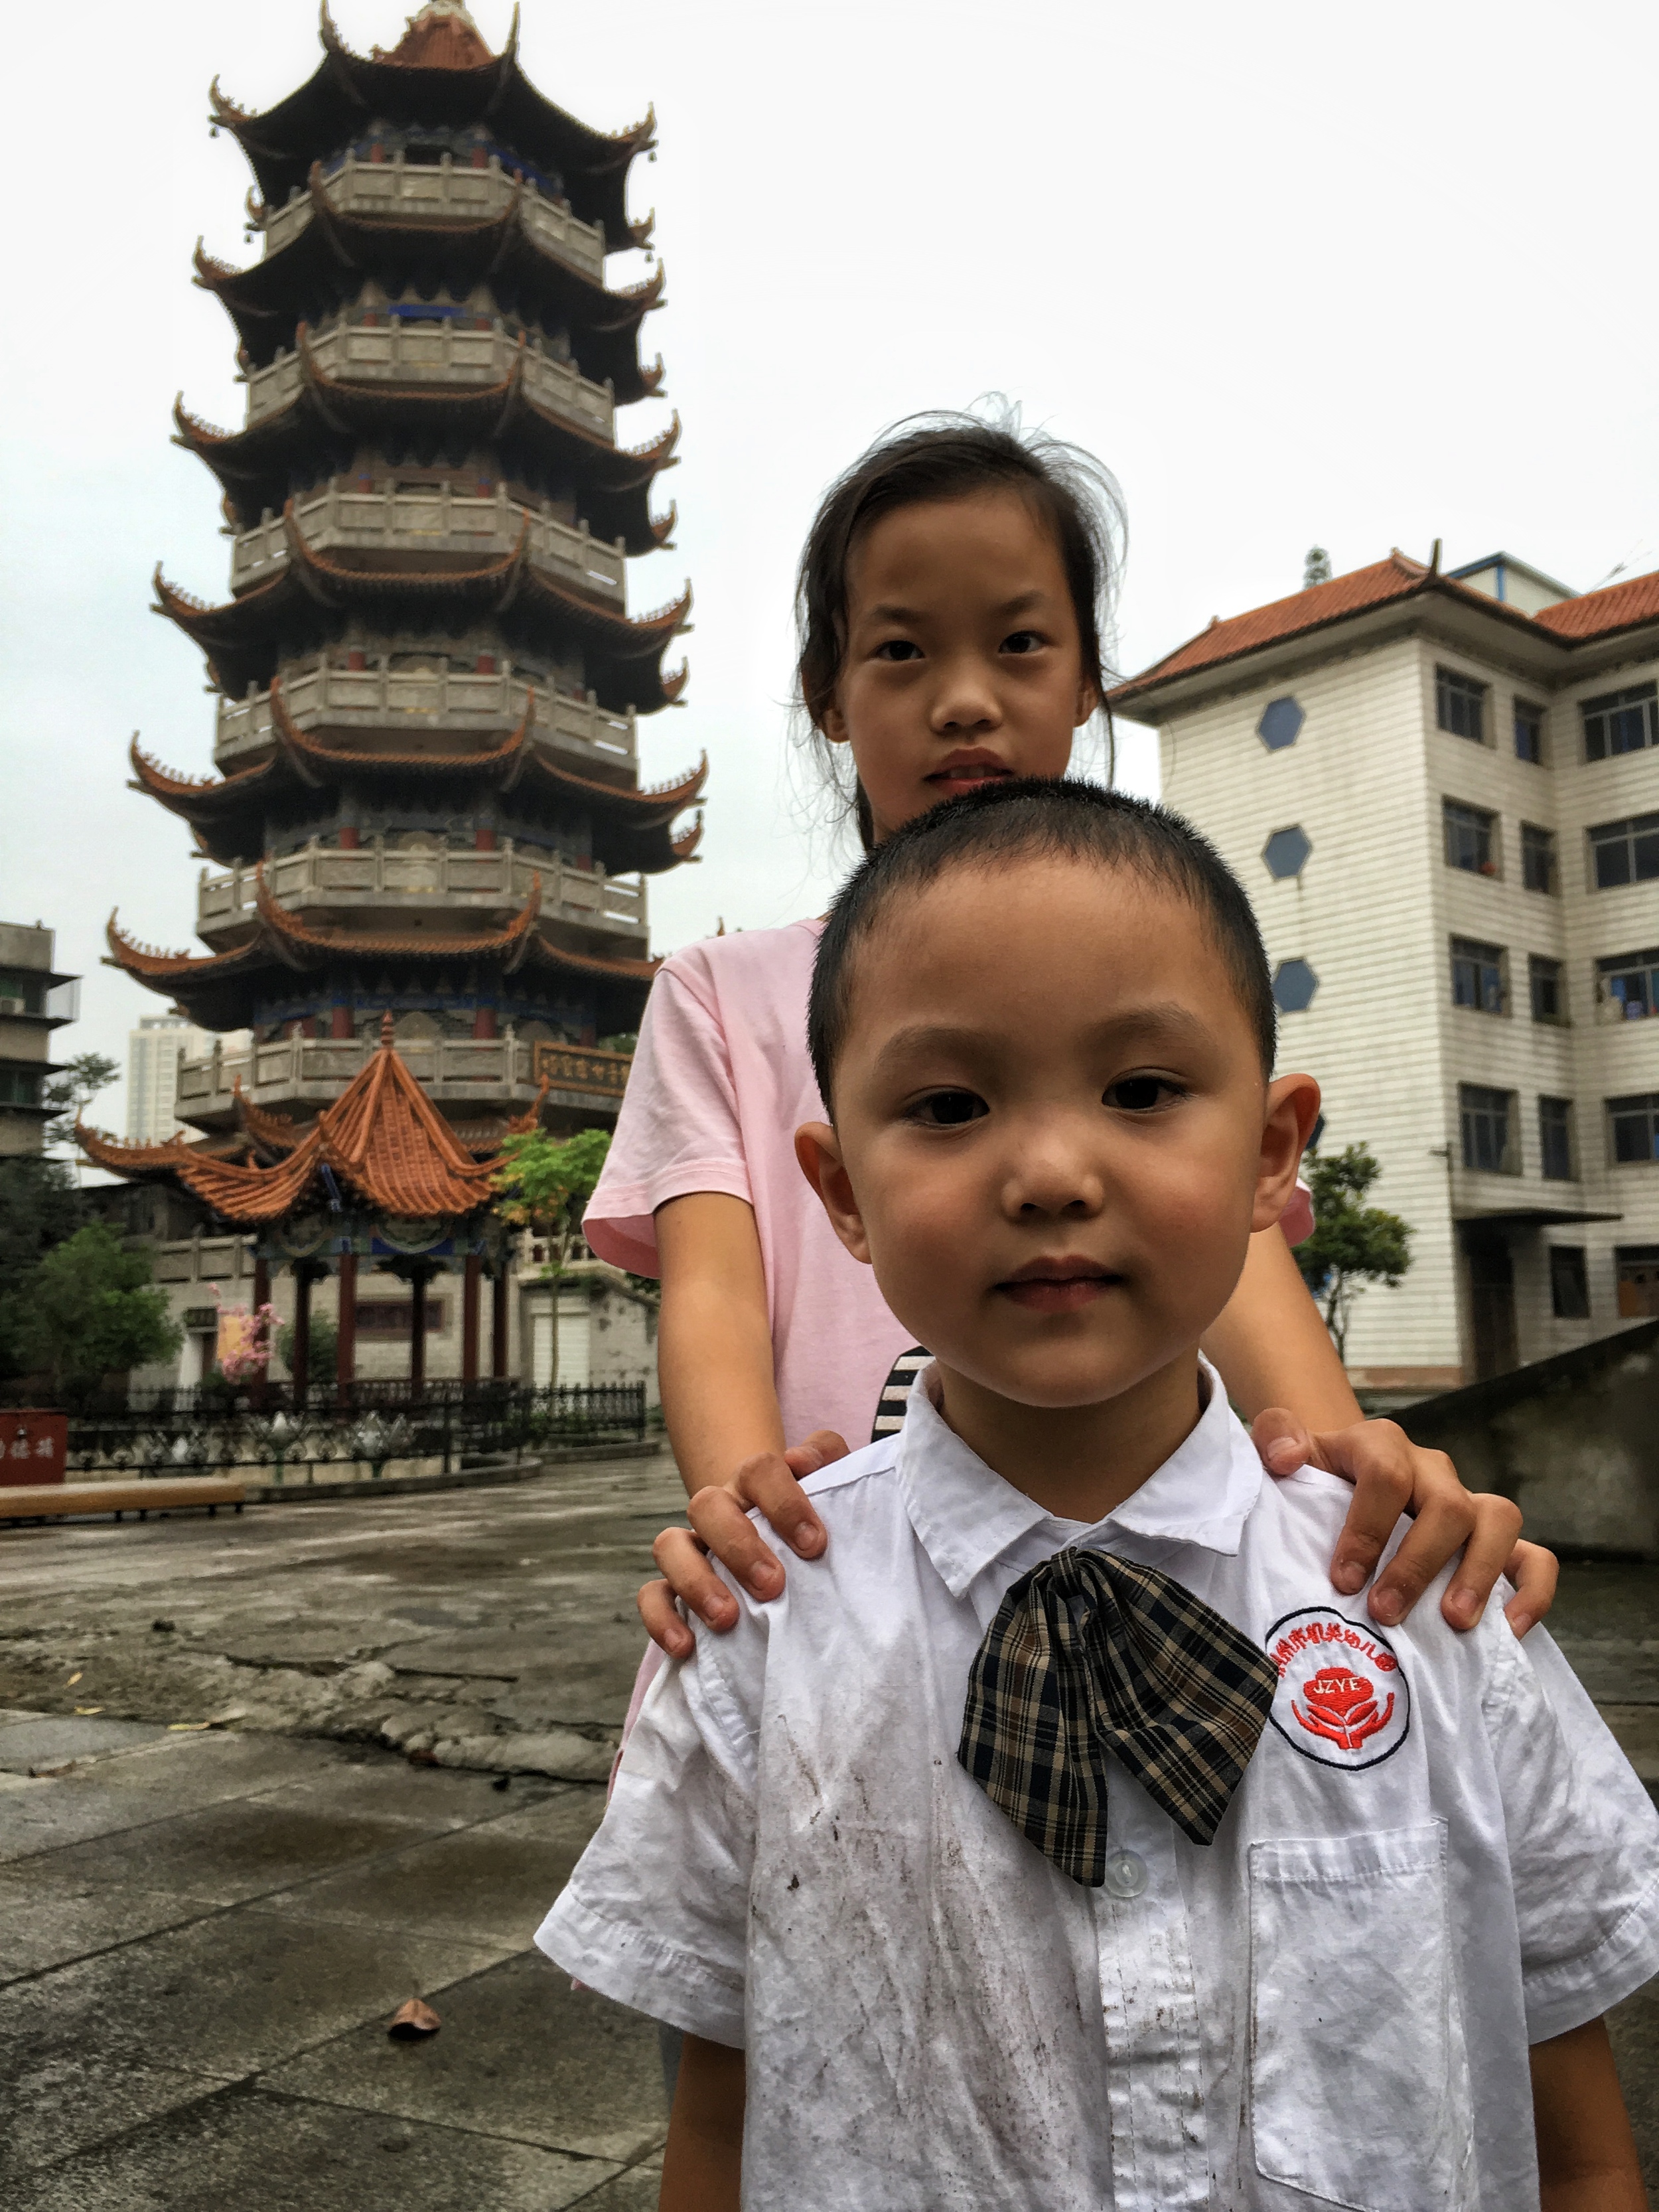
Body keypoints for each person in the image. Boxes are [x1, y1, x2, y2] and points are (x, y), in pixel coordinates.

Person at [540, 780, 1655, 2211]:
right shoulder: (764, 1630)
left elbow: (1582, 2135)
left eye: (1139, 1090)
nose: (1052, 1172)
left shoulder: (1421, 1600)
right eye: (947, 1105)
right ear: (838, 1188)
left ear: (1268, 1149)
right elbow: (716, 2133)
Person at [584, 414, 1555, 1678]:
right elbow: (713, 1288)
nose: (967, 697)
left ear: (1089, 676)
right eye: (900, 650)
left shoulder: (1175, 969)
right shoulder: (725, 992)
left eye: (1022, 642)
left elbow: (1240, 1270)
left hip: (1156, 1633)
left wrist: (1371, 1508)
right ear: (829, 693)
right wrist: (759, 1546)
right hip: (853, 1612)